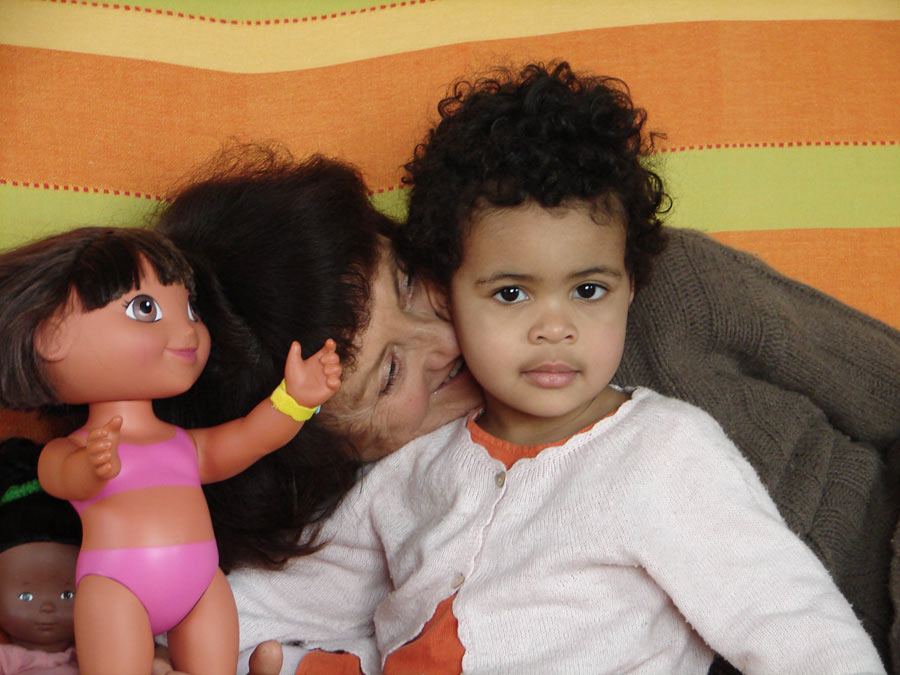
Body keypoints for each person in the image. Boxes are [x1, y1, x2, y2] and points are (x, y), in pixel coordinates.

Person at [226, 62, 888, 674]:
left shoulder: (663, 449)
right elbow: (253, 612)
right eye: (510, 293)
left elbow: (791, 623)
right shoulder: (402, 476)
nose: (553, 326)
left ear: (632, 282)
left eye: (589, 290)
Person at [0, 226, 343, 675]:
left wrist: (295, 400)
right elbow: (62, 478)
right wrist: (92, 466)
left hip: (201, 585)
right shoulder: (69, 449)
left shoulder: (184, 444)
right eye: (145, 309)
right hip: (116, 590)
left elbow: (250, 438)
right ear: (50, 336)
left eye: (190, 309)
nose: (188, 330)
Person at [0, 437, 81, 674]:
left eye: (68, 594)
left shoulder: (92, 652)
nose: (47, 607)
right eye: (26, 596)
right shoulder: (7, 659)